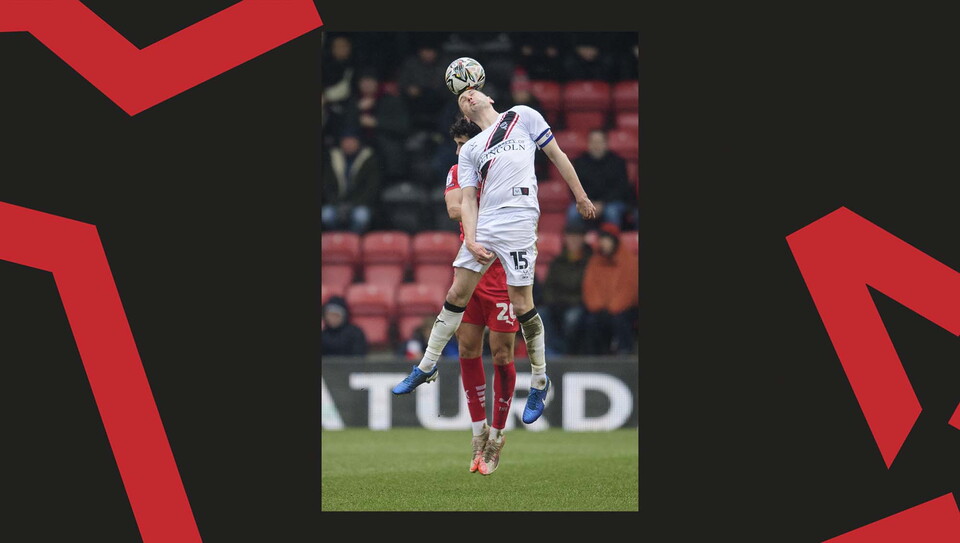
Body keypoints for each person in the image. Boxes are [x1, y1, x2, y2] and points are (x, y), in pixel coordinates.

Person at [392, 88, 597, 439]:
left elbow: (557, 155)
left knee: (522, 304)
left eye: (473, 92)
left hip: (520, 217)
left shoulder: (523, 116)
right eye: (461, 98)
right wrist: (470, 238)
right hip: (486, 223)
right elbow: (468, 201)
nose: (468, 97)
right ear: (465, 115)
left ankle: (539, 381)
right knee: (458, 290)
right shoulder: (471, 149)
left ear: (488, 96)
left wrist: (580, 196)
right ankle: (426, 366)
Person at [429, 117, 520, 475]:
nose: (457, 151)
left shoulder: (509, 169)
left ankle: (498, 435)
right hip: (470, 273)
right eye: (455, 144)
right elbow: (455, 209)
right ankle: (477, 432)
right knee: (467, 349)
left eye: (463, 143)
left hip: (502, 276)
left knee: (501, 354)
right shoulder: (457, 170)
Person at [581, 223, 638, 354]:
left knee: (620, 320)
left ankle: (625, 353)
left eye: (607, 239)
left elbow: (629, 290)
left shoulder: (630, 261)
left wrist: (614, 308)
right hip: (601, 309)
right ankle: (596, 356)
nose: (604, 243)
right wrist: (598, 307)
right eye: (602, 239)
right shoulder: (595, 261)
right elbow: (590, 287)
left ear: (615, 241)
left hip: (623, 309)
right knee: (591, 321)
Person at [539, 222, 592, 354]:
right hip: (557, 304)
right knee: (541, 314)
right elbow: (548, 287)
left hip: (579, 305)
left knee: (572, 318)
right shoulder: (557, 262)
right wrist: (553, 302)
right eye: (570, 237)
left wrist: (570, 302)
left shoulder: (590, 261)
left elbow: (589, 290)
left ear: (583, 239)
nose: (573, 240)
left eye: (577, 237)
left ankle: (570, 352)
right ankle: (554, 351)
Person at [565, 130, 635, 230]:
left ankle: (612, 242)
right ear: (588, 144)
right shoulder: (579, 163)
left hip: (611, 202)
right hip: (586, 202)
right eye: (593, 142)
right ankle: (577, 243)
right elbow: (573, 187)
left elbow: (622, 188)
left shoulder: (618, 162)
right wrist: (588, 202)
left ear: (606, 143)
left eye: (599, 142)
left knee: (612, 212)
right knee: (572, 212)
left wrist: (603, 203)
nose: (596, 145)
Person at [321, 132, 380, 233]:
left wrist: (352, 205)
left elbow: (371, 189)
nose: (348, 144)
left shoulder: (368, 159)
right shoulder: (333, 157)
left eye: (351, 141)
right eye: (345, 141)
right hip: (336, 203)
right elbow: (326, 186)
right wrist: (337, 204)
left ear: (358, 143)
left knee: (361, 217)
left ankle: (351, 242)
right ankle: (337, 239)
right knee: (325, 215)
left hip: (359, 203)